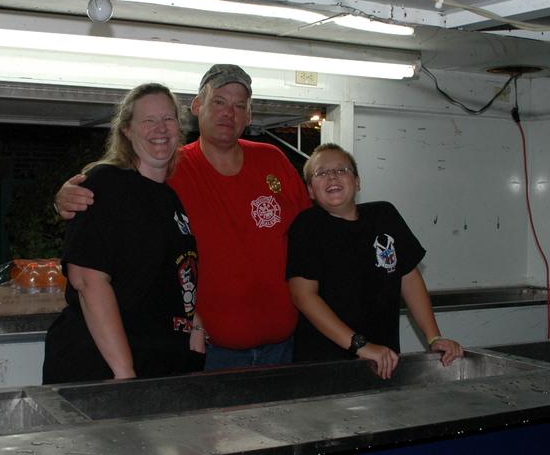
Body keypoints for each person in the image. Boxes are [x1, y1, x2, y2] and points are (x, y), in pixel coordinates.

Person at [54, 65, 311, 371]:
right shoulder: (169, 170)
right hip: (201, 355)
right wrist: (63, 198)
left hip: (273, 348)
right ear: (197, 107)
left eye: (239, 105)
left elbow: (312, 236)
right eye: (218, 101)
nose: (229, 112)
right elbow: (91, 271)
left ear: (249, 117)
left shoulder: (271, 160)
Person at [42, 83, 205, 384]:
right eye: (148, 120)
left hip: (159, 363)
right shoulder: (104, 184)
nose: (161, 128)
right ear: (127, 131)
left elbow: (174, 273)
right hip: (103, 367)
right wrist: (124, 373)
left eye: (169, 119)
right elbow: (87, 280)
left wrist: (194, 325)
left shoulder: (169, 198)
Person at [286, 143, 463, 379]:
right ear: (310, 190)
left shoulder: (385, 216)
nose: (332, 177)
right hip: (324, 365)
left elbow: (408, 278)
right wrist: (360, 346)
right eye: (321, 173)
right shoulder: (307, 226)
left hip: (384, 361)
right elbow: (303, 296)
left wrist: (434, 338)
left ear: (358, 181)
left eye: (341, 170)